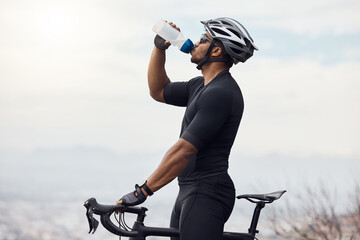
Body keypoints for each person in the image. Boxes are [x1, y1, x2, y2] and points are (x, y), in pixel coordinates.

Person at [116, 17, 258, 240]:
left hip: (207, 192)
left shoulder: (221, 93)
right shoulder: (199, 86)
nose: (196, 42)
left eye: (203, 39)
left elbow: (184, 150)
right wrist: (159, 48)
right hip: (189, 190)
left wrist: (142, 191)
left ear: (217, 51)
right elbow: (158, 90)